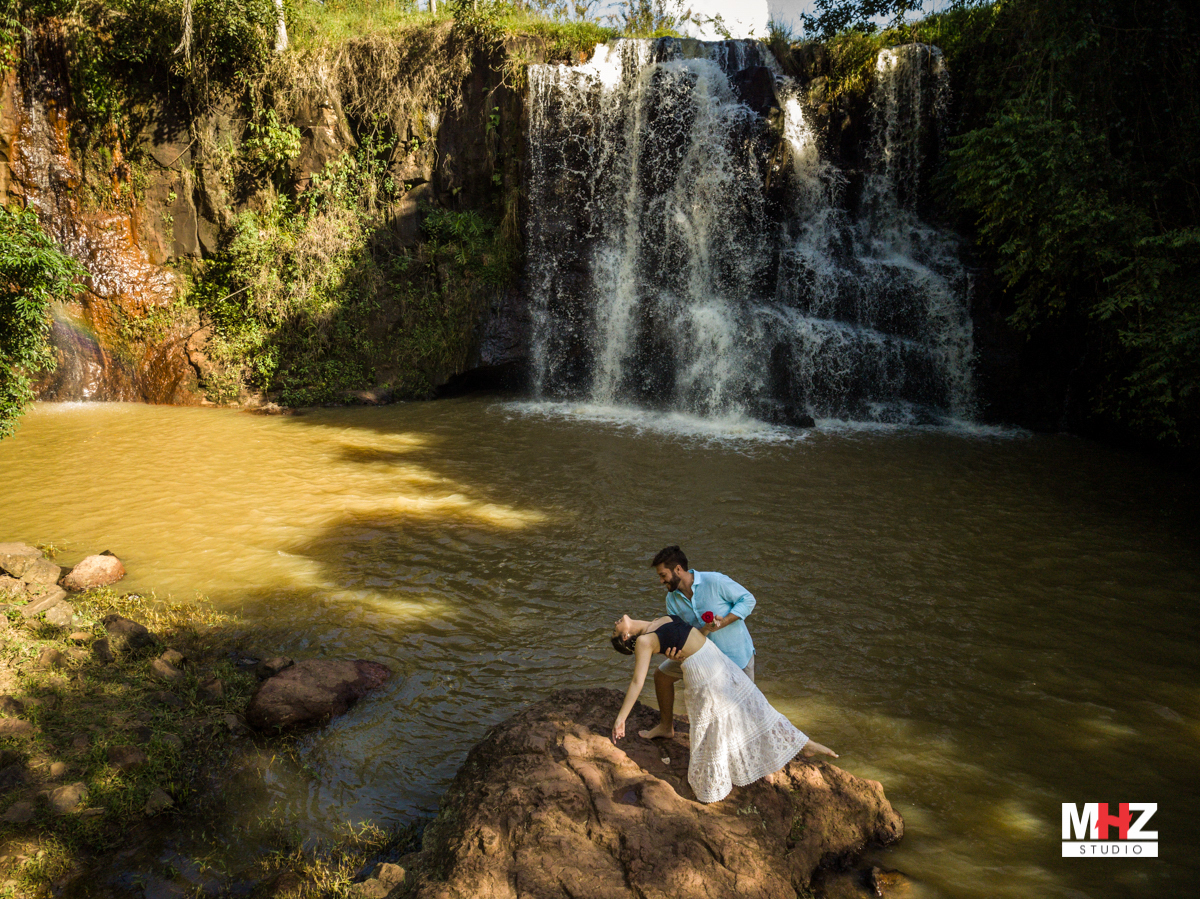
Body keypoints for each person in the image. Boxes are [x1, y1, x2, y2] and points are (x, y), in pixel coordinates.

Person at [610, 613, 836, 804]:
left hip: (714, 657)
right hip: (703, 670)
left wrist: (706, 629)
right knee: (719, 724)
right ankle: (726, 778)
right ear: (626, 636)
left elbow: (690, 636)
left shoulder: (655, 623)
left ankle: (801, 745)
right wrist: (621, 719)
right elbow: (637, 682)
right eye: (615, 630)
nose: (615, 623)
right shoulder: (644, 641)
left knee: (754, 705)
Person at [642, 545, 756, 740]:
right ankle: (665, 727)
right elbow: (680, 633)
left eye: (663, 575)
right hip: (701, 657)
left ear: (678, 570)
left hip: (735, 657)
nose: (661, 581)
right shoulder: (672, 599)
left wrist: (725, 621)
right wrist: (674, 651)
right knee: (661, 676)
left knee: (745, 717)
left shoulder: (715, 581)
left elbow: (748, 599)